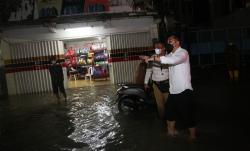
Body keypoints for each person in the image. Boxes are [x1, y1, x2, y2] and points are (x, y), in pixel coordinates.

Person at [146, 35, 196, 141]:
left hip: (184, 90)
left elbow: (172, 61)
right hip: (173, 91)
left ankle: (192, 135)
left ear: (178, 42)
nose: (169, 43)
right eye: (168, 41)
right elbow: (163, 59)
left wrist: (153, 58)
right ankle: (171, 132)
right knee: (169, 113)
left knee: (187, 114)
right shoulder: (171, 55)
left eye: (171, 41)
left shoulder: (183, 53)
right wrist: (149, 58)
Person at [144, 41, 169, 120]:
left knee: (169, 104)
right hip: (156, 85)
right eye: (156, 47)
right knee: (160, 105)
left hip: (167, 84)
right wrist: (145, 83)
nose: (157, 49)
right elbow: (148, 71)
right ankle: (162, 121)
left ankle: (170, 122)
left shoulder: (169, 57)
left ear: (164, 48)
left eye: (159, 47)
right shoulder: (152, 58)